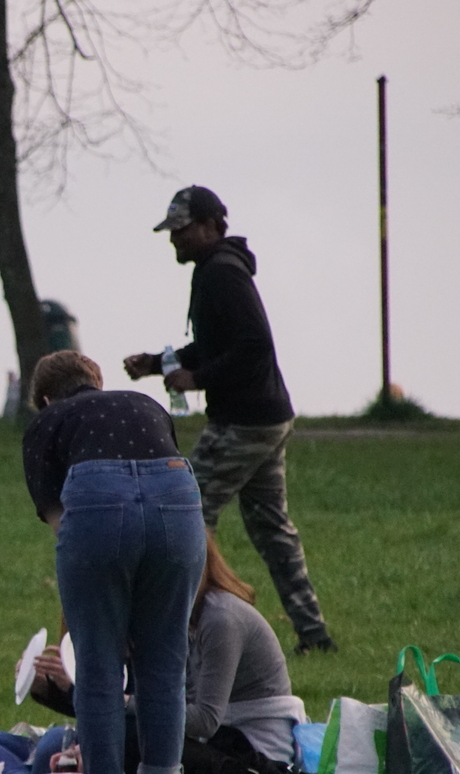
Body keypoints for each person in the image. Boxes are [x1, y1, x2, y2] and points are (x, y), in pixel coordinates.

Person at [124, 184, 336, 655]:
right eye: (171, 231)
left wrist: (195, 377)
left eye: (181, 230)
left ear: (211, 226)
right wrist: (159, 362)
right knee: (272, 530)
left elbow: (254, 345)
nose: (174, 239)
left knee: (185, 513)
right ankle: (314, 636)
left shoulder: (221, 274)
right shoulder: (215, 270)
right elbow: (221, 343)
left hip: (243, 422)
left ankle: (187, 628)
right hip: (268, 416)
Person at [0, 539, 303, 774]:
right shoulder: (169, 620)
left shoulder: (221, 620)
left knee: (105, 740)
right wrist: (53, 690)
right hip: (203, 740)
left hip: (247, 750)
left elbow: (203, 719)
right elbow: (143, 705)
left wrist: (99, 699)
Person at [22, 349, 204, 774]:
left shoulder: (49, 420)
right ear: (97, 383)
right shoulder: (146, 406)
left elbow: (61, 521)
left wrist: (101, 603)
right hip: (177, 498)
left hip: (98, 504)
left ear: (45, 398)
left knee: (98, 659)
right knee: (165, 653)